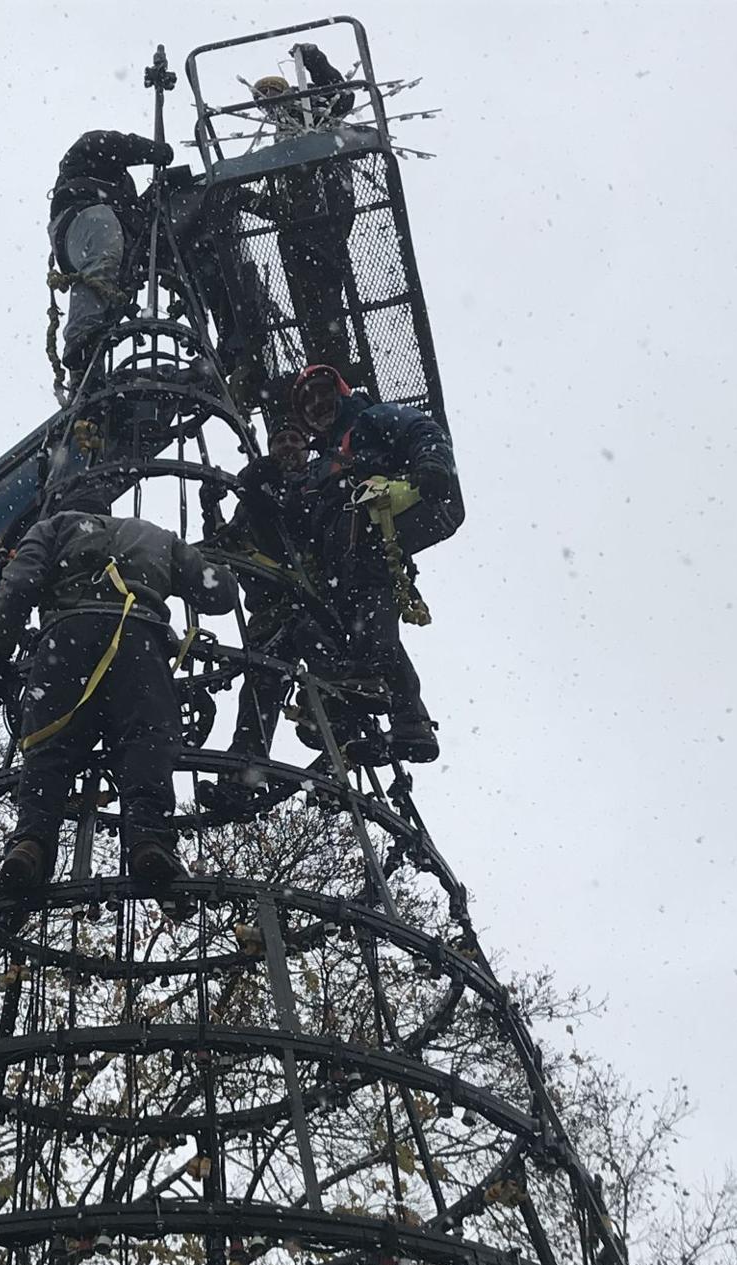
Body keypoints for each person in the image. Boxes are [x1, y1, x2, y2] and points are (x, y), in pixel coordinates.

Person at [0, 489, 239, 893]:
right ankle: (148, 838)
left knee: (49, 746)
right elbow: (220, 595)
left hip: (65, 639)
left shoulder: (51, 527)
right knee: (147, 738)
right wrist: (222, 564)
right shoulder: (155, 534)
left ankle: (31, 843)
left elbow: (18, 586)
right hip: (138, 639)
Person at [291, 364, 459, 761]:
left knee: (370, 604)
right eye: (308, 402)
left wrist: (431, 464)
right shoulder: (322, 462)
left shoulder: (369, 421)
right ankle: (409, 721)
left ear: (341, 392)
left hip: (370, 526)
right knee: (350, 622)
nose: (318, 405)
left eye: (322, 394)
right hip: (340, 557)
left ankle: (370, 679)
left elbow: (421, 429)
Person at [199, 427, 334, 815]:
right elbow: (224, 545)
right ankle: (242, 777)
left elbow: (311, 522)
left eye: (296, 440)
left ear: (307, 450)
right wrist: (211, 508)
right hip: (273, 608)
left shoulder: (314, 483)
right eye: (281, 441)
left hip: (314, 603)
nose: (288, 446)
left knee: (329, 686)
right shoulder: (258, 491)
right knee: (260, 690)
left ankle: (334, 765)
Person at [249, 43, 357, 375]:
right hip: (300, 222)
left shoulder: (308, 109)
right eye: (260, 99)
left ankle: (334, 355)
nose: (266, 103)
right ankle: (323, 358)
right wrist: (251, 201)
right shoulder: (283, 139)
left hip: (324, 208)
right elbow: (283, 201)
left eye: (269, 93)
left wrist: (313, 59)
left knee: (324, 288)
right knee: (311, 295)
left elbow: (343, 97)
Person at [49, 130, 174, 383]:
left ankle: (87, 372)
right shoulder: (87, 152)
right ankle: (81, 341)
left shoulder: (120, 194)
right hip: (81, 220)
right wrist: (156, 151)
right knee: (102, 242)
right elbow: (117, 144)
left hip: (114, 238)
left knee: (110, 272)